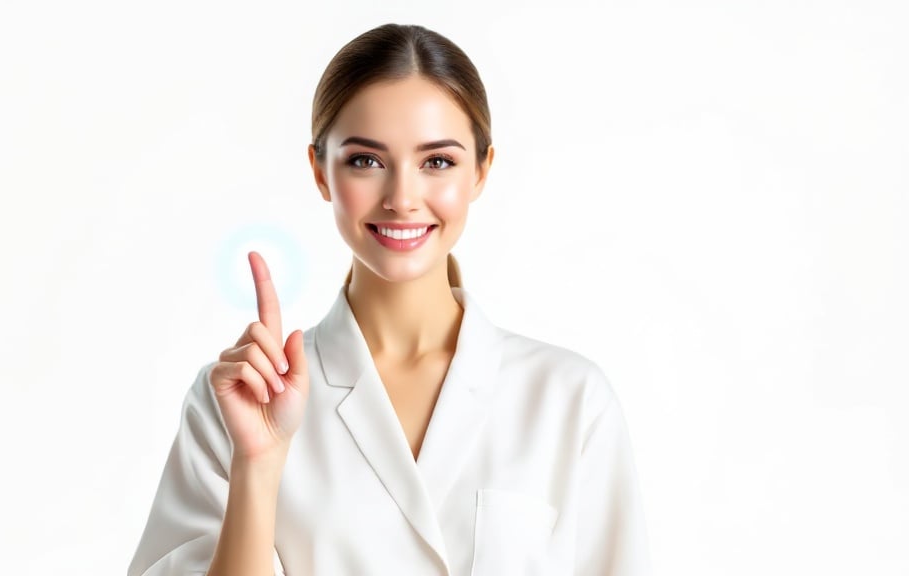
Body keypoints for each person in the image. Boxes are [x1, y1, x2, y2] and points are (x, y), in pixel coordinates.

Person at [128, 23, 650, 576]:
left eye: (438, 161)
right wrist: (258, 462)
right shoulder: (238, 402)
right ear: (319, 171)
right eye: (366, 161)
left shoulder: (569, 400)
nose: (402, 198)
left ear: (481, 171)